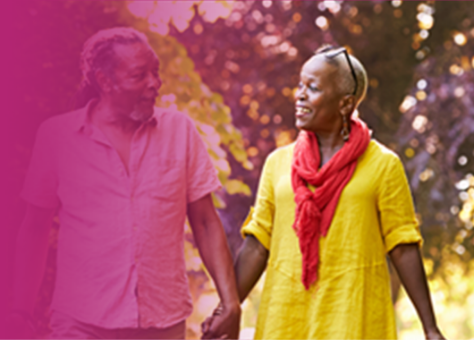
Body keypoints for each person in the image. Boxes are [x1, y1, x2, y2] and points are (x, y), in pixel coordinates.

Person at [7, 27, 240, 340]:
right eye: (139, 75)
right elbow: (35, 227)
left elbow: (206, 222)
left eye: (155, 72)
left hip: (162, 323)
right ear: (105, 82)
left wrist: (230, 303)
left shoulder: (180, 132)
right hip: (81, 323)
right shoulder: (57, 138)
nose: (154, 83)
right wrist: (20, 311)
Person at [203, 46, 446, 340]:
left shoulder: (383, 166)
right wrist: (227, 308)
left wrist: (430, 329)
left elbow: (403, 247)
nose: (300, 95)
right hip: (285, 319)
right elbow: (257, 245)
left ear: (345, 104)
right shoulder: (278, 163)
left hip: (353, 318)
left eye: (313, 88)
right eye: (301, 85)